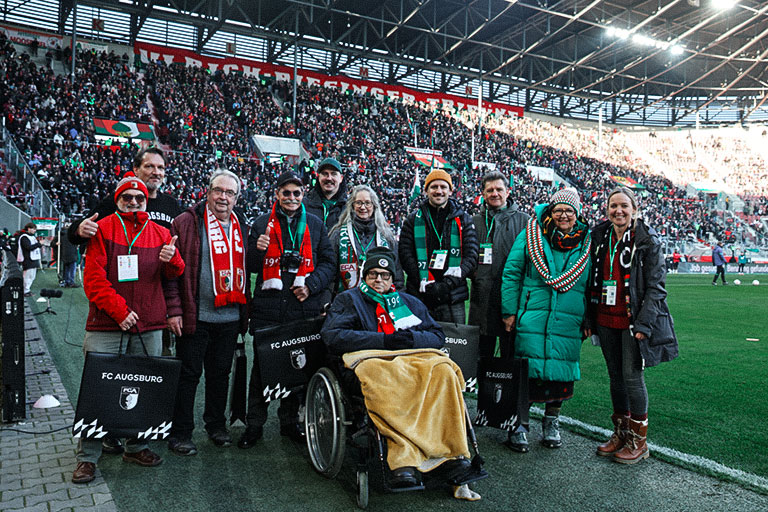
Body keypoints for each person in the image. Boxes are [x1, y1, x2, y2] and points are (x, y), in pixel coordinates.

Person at [322, 248, 478, 490]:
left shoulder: (409, 302)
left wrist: (412, 340)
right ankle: (402, 457)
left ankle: (451, 454)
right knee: (382, 375)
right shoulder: (349, 300)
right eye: (373, 274)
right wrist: (383, 341)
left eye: (385, 275)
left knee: (445, 370)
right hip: (373, 360)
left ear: (393, 278)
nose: (379, 280)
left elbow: (437, 335)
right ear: (364, 276)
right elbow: (333, 335)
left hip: (412, 359)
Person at [72, 173, 185, 484]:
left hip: (149, 324)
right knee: (98, 390)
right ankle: (87, 458)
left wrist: (172, 258)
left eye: (139, 199)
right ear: (117, 199)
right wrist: (120, 312)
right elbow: (93, 281)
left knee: (143, 388)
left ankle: (136, 446)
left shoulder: (161, 232)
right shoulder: (103, 229)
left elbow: (175, 272)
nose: (134, 202)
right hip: (107, 324)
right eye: (127, 198)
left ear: (146, 201)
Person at [238, 171, 336, 448]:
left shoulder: (315, 225)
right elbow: (250, 266)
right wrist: (257, 251)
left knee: (296, 367)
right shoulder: (261, 223)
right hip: (269, 307)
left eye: (296, 193)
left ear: (303, 194)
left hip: (302, 305)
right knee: (261, 369)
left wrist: (311, 286)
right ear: (277, 194)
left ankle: (288, 421)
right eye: (286, 192)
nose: (291, 198)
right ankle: (254, 424)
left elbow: (329, 264)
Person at [585, 186, 678, 464]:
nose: (618, 211)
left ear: (634, 209)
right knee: (615, 377)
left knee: (632, 377)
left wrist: (644, 324)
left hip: (631, 321)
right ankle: (621, 433)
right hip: (604, 318)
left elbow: (656, 288)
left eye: (624, 206)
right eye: (613, 206)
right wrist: (590, 318)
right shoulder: (599, 236)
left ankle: (639, 440)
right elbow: (592, 280)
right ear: (607, 209)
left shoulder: (647, 240)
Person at [165, 169, 250, 455]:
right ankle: (180, 432)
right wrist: (174, 310)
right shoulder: (186, 222)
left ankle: (216, 425)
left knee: (219, 375)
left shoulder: (242, 225)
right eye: (218, 190)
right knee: (188, 375)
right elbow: (171, 273)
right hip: (195, 315)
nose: (223, 197)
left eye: (229, 193)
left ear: (237, 198)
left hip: (230, 317)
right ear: (208, 191)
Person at [501, 188, 592, 452]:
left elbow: (591, 286)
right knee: (527, 372)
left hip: (568, 319)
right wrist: (509, 312)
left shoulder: (586, 241)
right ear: (550, 212)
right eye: (558, 210)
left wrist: (588, 318)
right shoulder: (531, 234)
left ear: (577, 214)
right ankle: (518, 425)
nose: (564, 215)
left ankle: (552, 423)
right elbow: (512, 273)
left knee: (561, 375)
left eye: (569, 211)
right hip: (533, 315)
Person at [399, 169, 478, 323]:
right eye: (434, 187)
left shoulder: (464, 220)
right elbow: (405, 255)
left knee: (454, 345)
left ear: (450, 190)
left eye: (443, 187)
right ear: (426, 190)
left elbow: (471, 255)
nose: (439, 191)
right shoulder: (412, 220)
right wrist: (426, 283)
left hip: (453, 296)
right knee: (421, 343)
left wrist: (447, 285)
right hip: (420, 293)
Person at [469, 171, 529, 368]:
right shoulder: (475, 221)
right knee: (481, 356)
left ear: (507, 191)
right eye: (490, 190)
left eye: (499, 189)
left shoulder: (525, 221)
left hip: (512, 298)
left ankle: (508, 397)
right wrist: (474, 274)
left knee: (509, 355)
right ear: (483, 194)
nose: (495, 193)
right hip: (482, 296)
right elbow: (466, 255)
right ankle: (480, 397)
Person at [68, 147, 182, 245]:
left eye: (160, 168)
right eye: (149, 166)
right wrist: (79, 229)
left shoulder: (172, 204)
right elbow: (76, 233)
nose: (156, 172)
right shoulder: (122, 200)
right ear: (136, 170)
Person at [328, 184, 404, 291]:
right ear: (352, 206)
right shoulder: (338, 235)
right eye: (358, 203)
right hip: (347, 299)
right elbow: (329, 271)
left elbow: (397, 274)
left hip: (380, 301)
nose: (363, 207)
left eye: (367, 203)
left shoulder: (387, 237)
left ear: (374, 206)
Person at [303, 157, 347, 228]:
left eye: (333, 174)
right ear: (318, 177)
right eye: (324, 174)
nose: (329, 178)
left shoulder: (349, 208)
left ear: (341, 178)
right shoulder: (304, 205)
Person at [17, 222, 42, 297]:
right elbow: (28, 247)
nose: (35, 230)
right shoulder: (24, 237)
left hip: (33, 259)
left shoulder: (32, 237)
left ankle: (27, 289)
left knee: (32, 276)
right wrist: (38, 244)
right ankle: (25, 290)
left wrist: (39, 244)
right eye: (33, 229)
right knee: (28, 276)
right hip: (28, 259)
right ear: (28, 228)